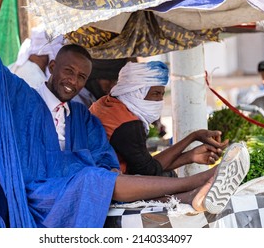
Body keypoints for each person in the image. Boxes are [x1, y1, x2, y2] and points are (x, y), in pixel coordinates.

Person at [0, 0, 249, 228]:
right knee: (92, 180)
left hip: (76, 191)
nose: (73, 82)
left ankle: (192, 196)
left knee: (95, 178)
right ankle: (204, 179)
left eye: (81, 77)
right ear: (53, 68)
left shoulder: (81, 117)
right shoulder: (24, 98)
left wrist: (95, 171)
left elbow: (105, 162)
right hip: (37, 193)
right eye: (68, 72)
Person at [90, 61, 229, 177]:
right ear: (136, 91)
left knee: (168, 176)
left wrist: (191, 156)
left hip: (103, 175)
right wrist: (193, 137)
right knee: (174, 180)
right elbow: (149, 172)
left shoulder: (105, 103)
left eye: (162, 94)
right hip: (108, 182)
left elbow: (143, 166)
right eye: (156, 94)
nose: (160, 101)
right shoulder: (128, 124)